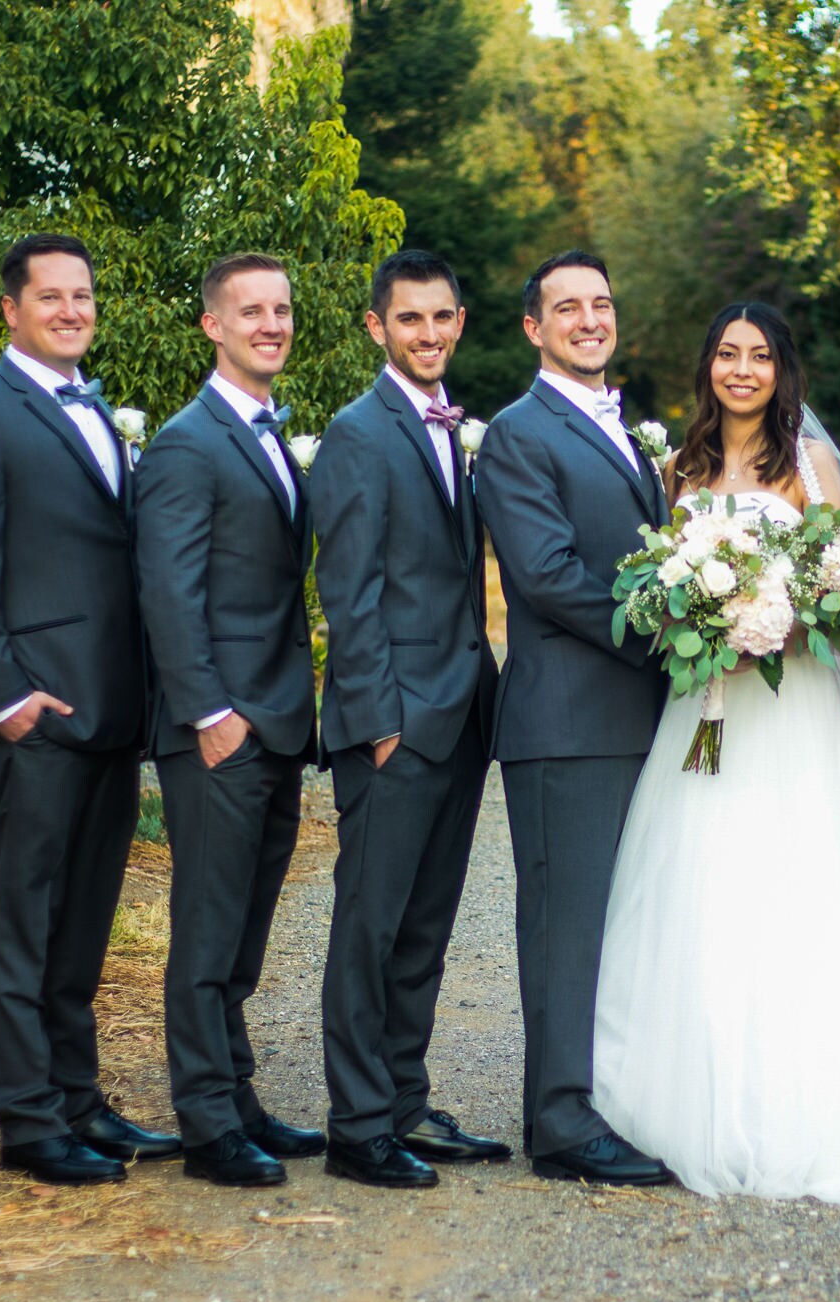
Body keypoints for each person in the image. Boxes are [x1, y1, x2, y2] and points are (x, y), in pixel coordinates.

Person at [591, 302, 840, 1205]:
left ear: (783, 370)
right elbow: (658, 574)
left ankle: (800, 1103)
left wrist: (772, 623)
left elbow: (837, 580)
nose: (744, 370)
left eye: (761, 356)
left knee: (792, 881)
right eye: (729, 355)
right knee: (698, 878)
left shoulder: (814, 466)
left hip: (792, 706)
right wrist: (699, 622)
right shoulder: (679, 468)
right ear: (708, 367)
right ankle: (682, 1096)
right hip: (704, 701)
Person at [0, 232, 178, 1184]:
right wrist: (5, 698)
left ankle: (80, 1099)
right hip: (37, 717)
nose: (72, 310)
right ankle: (27, 1121)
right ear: (11, 310)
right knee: (25, 921)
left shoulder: (96, 411)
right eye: (51, 297)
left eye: (82, 295)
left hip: (111, 709)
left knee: (84, 922)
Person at [472, 251, 674, 1186]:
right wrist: (670, 635)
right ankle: (557, 1120)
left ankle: (610, 1095)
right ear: (533, 328)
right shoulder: (517, 434)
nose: (589, 318)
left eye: (601, 301)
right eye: (567, 307)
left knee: (623, 920)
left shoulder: (624, 427)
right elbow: (548, 578)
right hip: (566, 722)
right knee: (565, 923)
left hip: (633, 720)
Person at [312, 250, 507, 1189]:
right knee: (369, 926)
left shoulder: (456, 429)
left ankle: (404, 1101)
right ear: (376, 327)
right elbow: (348, 594)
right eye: (409, 319)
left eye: (442, 317)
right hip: (393, 725)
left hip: (460, 716)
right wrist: (381, 722)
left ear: (460, 321)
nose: (428, 334)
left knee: (425, 927)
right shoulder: (359, 432)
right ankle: (356, 1126)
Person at [135, 253, 325, 1188]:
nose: (271, 325)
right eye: (251, 311)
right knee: (207, 930)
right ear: (212, 325)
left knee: (244, 929)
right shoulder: (186, 442)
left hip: (273, 724)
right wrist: (210, 713)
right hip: (219, 729)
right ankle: (207, 1121)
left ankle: (240, 1093)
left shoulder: (262, 432)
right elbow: (167, 593)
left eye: (281, 310)